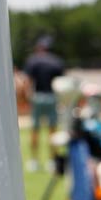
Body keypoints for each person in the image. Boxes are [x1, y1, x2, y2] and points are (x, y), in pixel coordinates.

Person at [21, 37, 65, 171]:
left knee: (35, 130)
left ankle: (34, 161)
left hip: (37, 97)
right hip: (52, 97)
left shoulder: (33, 60)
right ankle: (52, 161)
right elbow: (61, 84)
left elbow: (27, 81)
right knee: (52, 130)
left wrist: (26, 97)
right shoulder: (56, 61)